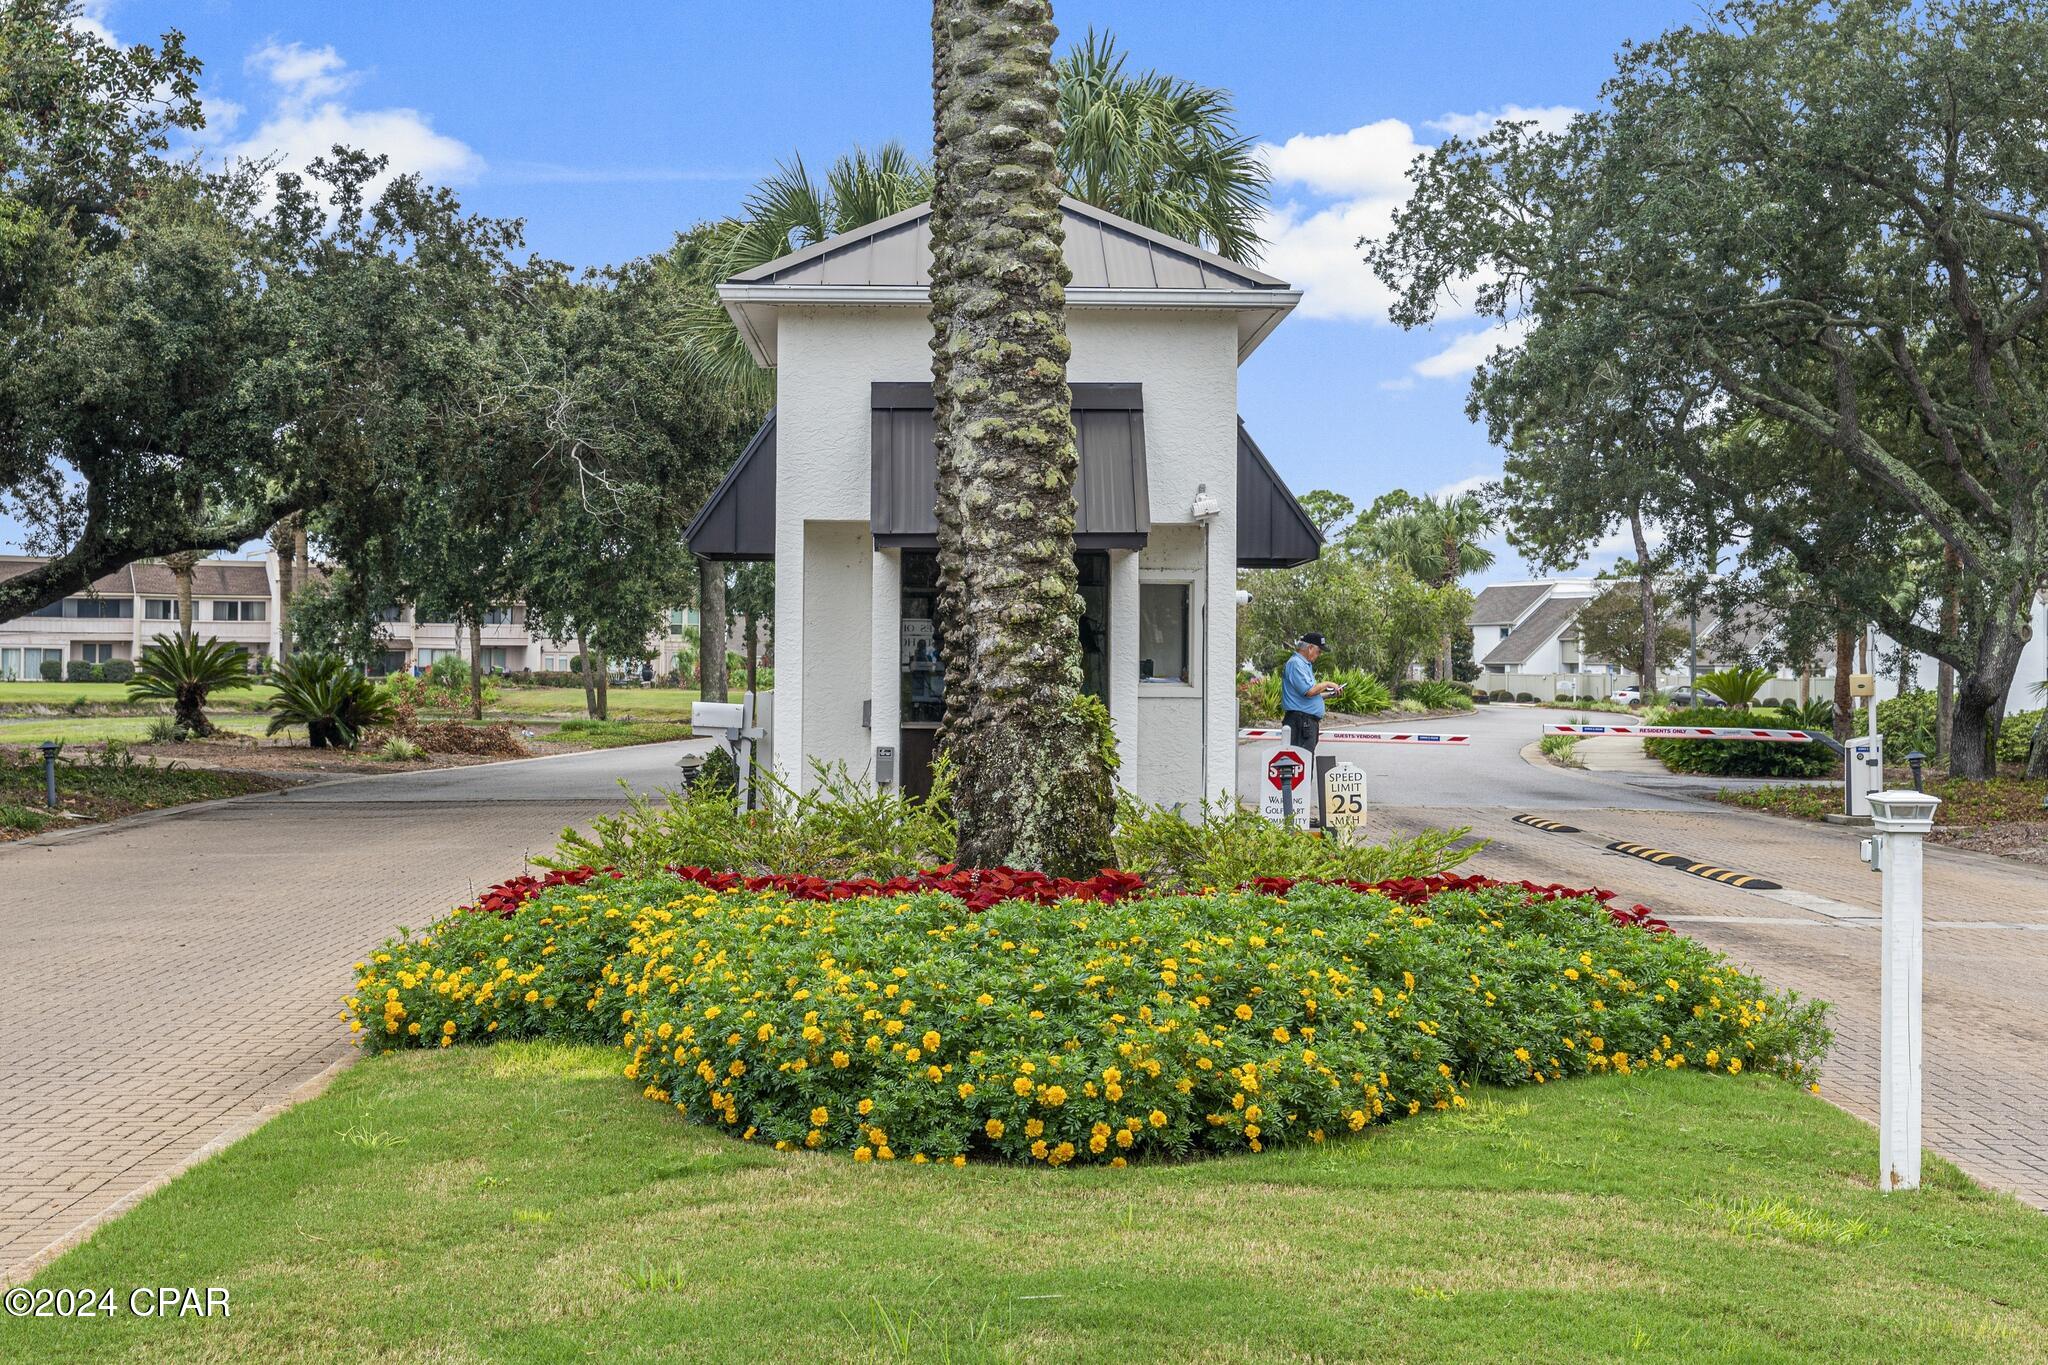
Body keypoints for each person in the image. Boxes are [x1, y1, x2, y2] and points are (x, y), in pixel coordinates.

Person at [1280, 632, 1342, 753]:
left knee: (1306, 761)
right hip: (1300, 721)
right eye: (1319, 651)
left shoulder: (1304, 665)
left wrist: (1331, 694)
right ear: (1310, 648)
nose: (1319, 654)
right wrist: (1328, 684)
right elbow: (1309, 691)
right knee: (1302, 761)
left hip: (1305, 722)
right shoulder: (1296, 663)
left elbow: (1311, 695)